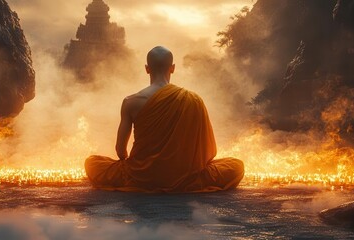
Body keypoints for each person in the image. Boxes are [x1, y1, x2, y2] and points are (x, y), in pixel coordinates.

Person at [85, 46, 244, 193]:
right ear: (173, 68)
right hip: (185, 176)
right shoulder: (193, 100)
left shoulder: (131, 102)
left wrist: (136, 167)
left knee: (92, 163)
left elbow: (120, 151)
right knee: (236, 166)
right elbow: (209, 154)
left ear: (147, 69)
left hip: (141, 176)